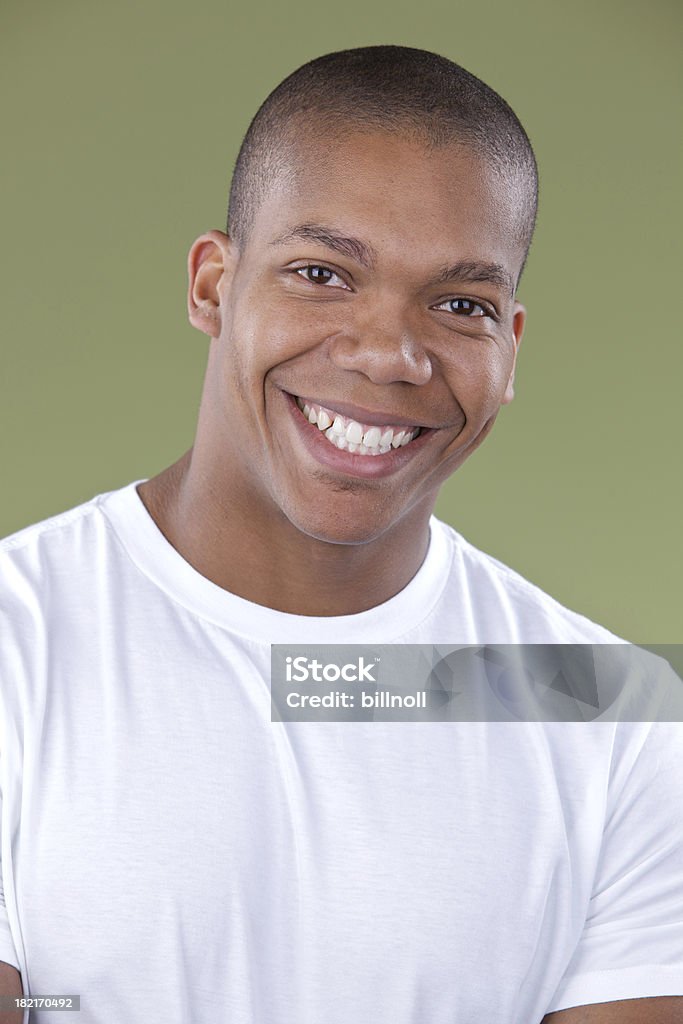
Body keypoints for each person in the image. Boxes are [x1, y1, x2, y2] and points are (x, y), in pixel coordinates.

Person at [0, 45, 681, 1024]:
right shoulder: (19, 642)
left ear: (510, 348)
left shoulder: (612, 714)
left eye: (459, 304)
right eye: (320, 273)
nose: (386, 355)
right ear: (211, 286)